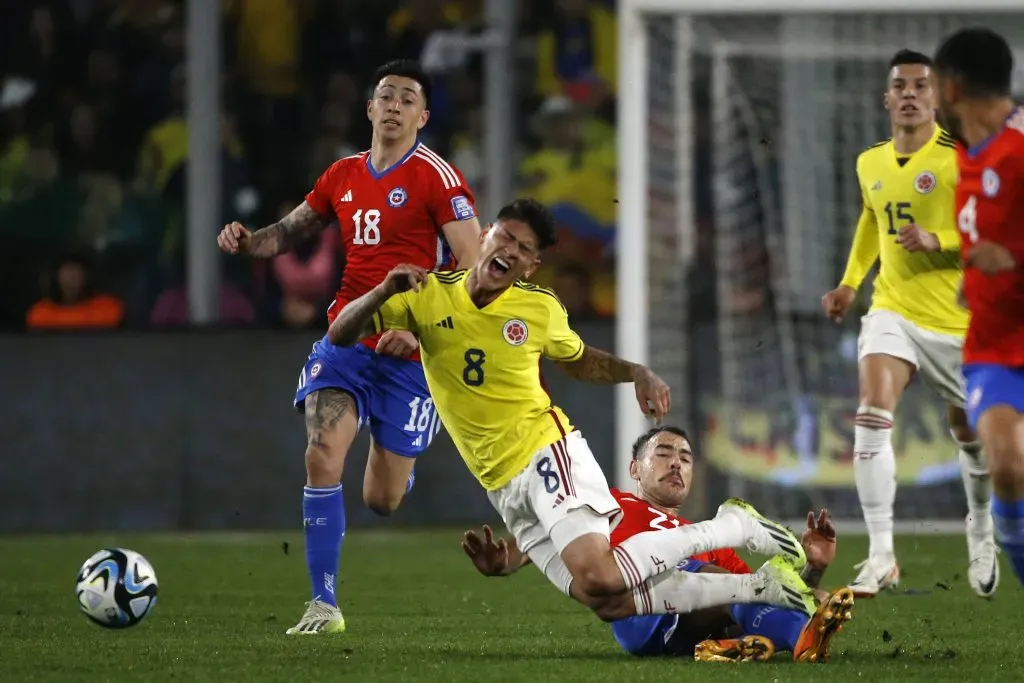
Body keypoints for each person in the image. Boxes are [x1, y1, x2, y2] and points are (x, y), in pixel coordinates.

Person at [327, 197, 817, 627]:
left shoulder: (538, 308)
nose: (512, 251)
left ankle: (734, 526)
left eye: (524, 249)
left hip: (546, 450)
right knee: (607, 600)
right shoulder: (426, 295)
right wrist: (383, 290)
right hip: (500, 484)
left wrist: (636, 372)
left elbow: (578, 360)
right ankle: (760, 587)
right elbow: (339, 335)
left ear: (531, 266)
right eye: (507, 237)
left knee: (601, 573)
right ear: (483, 237)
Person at [216, 59, 482, 635]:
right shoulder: (342, 174)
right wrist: (247, 242)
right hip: (347, 336)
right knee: (320, 453)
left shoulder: (438, 177)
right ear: (368, 108)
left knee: (382, 500)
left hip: (412, 355)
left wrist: (419, 330)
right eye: (384, 95)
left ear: (424, 116)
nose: (393, 105)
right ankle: (324, 603)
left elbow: (474, 267)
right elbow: (289, 232)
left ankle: (397, 468)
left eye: (407, 98)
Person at [820, 49, 996, 597]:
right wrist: (851, 282)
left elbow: (990, 235)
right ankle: (881, 554)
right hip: (892, 307)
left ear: (938, 97)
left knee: (970, 434)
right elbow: (872, 220)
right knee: (871, 411)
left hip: (958, 319)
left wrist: (937, 241)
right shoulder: (869, 161)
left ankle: (982, 528)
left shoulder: (963, 159)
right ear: (887, 98)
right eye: (902, 86)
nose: (912, 94)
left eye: (923, 85)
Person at [462, 426, 854, 663]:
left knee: (787, 591)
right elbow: (553, 533)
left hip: (686, 627)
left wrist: (814, 567)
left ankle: (727, 648)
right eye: (663, 454)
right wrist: (507, 560)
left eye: (685, 458)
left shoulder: (697, 534)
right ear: (635, 468)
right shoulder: (609, 502)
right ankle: (795, 638)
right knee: (724, 581)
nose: (676, 464)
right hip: (641, 614)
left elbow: (771, 589)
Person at [934, 27, 1024, 587]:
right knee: (1007, 464)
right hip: (992, 345)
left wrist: (1012, 258)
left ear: (954, 86)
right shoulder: (968, 155)